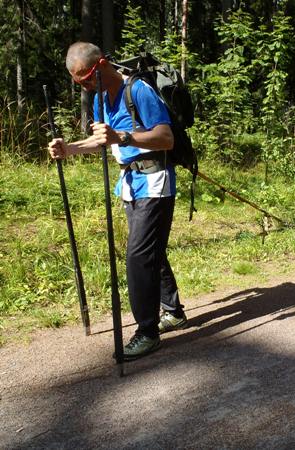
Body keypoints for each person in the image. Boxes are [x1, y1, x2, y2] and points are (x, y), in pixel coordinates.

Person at [48, 41, 187, 360]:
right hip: (129, 183)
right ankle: (173, 312)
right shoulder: (100, 98)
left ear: (100, 65)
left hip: (155, 180)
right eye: (76, 80)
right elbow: (101, 140)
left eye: (83, 76)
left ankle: (147, 331)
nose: (80, 84)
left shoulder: (138, 90)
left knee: (138, 256)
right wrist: (68, 148)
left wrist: (122, 137)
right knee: (151, 249)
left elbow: (166, 138)